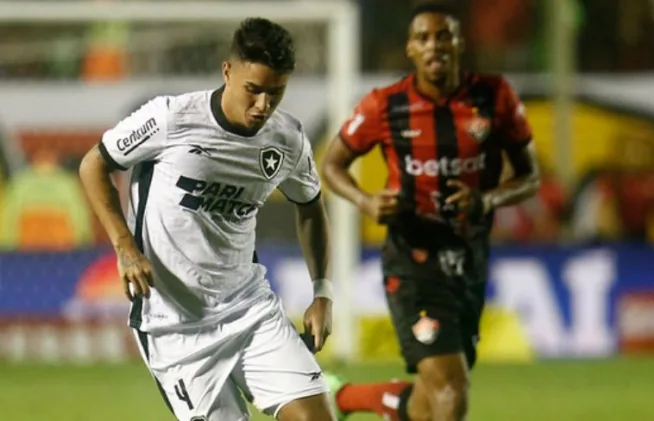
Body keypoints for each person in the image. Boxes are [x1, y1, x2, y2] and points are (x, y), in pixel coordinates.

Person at [79, 18, 337, 421]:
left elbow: (311, 206)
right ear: (227, 71)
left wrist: (322, 292)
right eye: (253, 90)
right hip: (174, 327)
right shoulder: (170, 118)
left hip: (250, 311)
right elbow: (93, 165)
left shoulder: (287, 140)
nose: (263, 106)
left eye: (276, 93)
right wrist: (124, 246)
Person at [321, 2, 540, 420]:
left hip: (469, 261)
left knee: (430, 401)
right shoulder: (384, 105)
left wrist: (487, 199)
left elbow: (529, 176)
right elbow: (332, 164)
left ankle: (344, 397)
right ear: (410, 48)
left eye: (443, 36)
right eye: (423, 38)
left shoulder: (494, 97)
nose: (433, 45)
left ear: (460, 43)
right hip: (413, 263)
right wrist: (366, 201)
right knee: (451, 389)